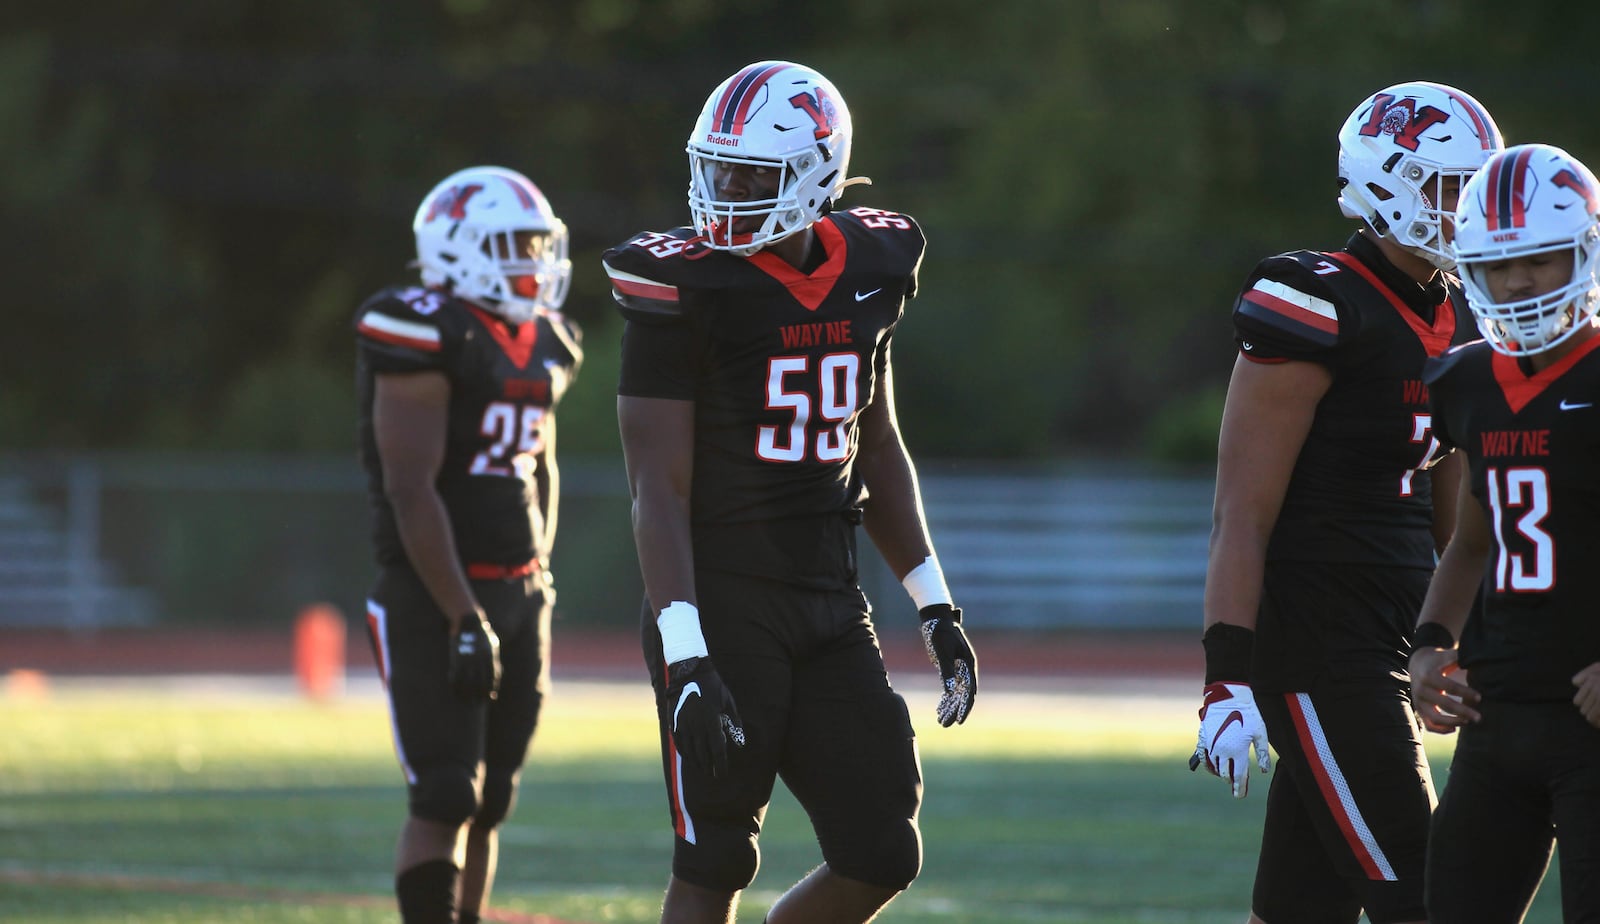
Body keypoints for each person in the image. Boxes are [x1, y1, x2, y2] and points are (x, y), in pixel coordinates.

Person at [603, 60, 978, 924]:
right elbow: (655, 487)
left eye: (749, 176)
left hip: (827, 593)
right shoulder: (682, 288)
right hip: (722, 600)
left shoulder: (875, 264)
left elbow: (874, 444)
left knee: (882, 846)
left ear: (817, 172)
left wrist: (934, 604)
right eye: (716, 170)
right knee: (715, 857)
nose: (724, 194)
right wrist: (687, 653)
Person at [1190, 82, 1502, 923]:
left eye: (1474, 189)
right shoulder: (1316, 298)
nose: (1461, 209)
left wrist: (1461, 636)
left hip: (1387, 635)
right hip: (1319, 647)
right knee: (1429, 893)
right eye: (1447, 187)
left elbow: (1457, 522)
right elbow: (1241, 511)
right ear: (1385, 179)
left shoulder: (1457, 318)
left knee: (1300, 910)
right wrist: (1227, 676)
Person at [355, 165, 582, 924]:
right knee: (446, 790)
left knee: (491, 801)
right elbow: (410, 488)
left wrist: (539, 571)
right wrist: (462, 614)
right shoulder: (422, 328)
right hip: (434, 596)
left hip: (518, 590)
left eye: (537, 243)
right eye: (514, 244)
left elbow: (538, 461)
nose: (532, 260)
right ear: (457, 248)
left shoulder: (544, 339)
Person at [1410, 143, 1600, 923]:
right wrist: (1427, 641)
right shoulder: (1464, 380)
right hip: (1495, 711)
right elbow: (1475, 538)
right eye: (1500, 265)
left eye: (1543, 260)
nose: (1520, 282)